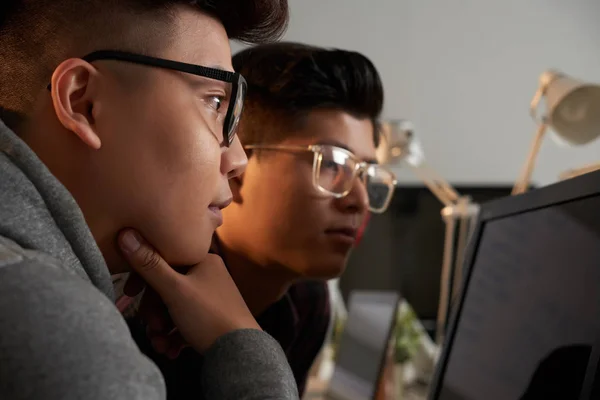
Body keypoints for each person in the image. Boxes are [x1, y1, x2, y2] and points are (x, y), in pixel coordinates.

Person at [0, 1, 300, 399]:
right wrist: (241, 343)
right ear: (83, 103)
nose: (238, 159)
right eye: (214, 103)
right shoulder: (54, 327)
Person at [217, 42, 395, 394]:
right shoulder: (144, 303)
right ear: (237, 169)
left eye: (365, 174)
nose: (359, 200)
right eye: (332, 164)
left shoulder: (308, 302)